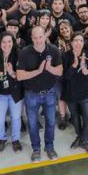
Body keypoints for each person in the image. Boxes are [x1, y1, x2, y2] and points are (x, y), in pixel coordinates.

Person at [16, 26, 63, 162]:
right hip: (31, 94)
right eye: (35, 38)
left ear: (45, 36)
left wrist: (49, 68)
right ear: (31, 38)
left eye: (40, 37)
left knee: (51, 122)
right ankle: (36, 149)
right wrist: (38, 71)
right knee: (32, 124)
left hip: (49, 92)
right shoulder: (24, 52)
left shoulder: (53, 50)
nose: (38, 40)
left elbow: (60, 71)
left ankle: (49, 147)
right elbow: (19, 75)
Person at [63, 34, 88, 155]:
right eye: (76, 40)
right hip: (71, 92)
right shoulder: (65, 56)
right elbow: (65, 77)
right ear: (71, 43)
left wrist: (84, 69)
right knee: (75, 117)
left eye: (81, 41)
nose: (78, 43)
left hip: (85, 92)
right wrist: (74, 65)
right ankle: (80, 136)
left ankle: (83, 141)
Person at [0, 33, 23, 154]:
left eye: (9, 41)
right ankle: (2, 139)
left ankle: (15, 139)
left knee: (16, 117)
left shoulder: (19, 54)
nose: (7, 44)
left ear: (13, 43)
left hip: (15, 91)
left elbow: (21, 76)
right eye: (4, 42)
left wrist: (11, 72)